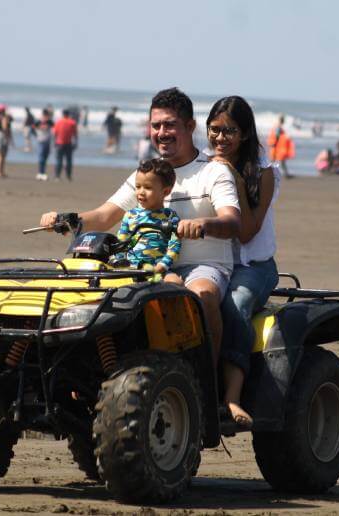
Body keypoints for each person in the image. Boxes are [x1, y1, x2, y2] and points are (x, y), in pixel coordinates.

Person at [40, 87, 240, 367]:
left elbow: (232, 221)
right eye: (156, 125)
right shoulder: (147, 175)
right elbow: (105, 215)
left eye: (170, 124)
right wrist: (67, 219)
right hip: (146, 264)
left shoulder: (214, 171)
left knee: (199, 296)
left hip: (203, 266)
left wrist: (203, 224)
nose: (162, 132)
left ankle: (208, 381)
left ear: (190, 126)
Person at [206, 96, 280, 427]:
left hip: (254, 267)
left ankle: (232, 396)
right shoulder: (203, 167)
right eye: (215, 129)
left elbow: (248, 232)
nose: (221, 138)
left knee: (235, 304)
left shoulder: (264, 173)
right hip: (214, 261)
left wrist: (233, 178)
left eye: (230, 131)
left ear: (246, 134)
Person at [114, 158, 181, 274]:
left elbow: (175, 246)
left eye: (148, 187)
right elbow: (121, 242)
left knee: (176, 283)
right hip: (131, 269)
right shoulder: (130, 216)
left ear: (166, 191)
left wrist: (162, 266)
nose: (141, 192)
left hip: (158, 270)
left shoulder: (170, 217)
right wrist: (120, 261)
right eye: (138, 186)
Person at [53, 109, 78, 181]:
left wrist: (54, 142)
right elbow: (75, 134)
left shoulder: (58, 122)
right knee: (69, 161)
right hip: (68, 144)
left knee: (59, 160)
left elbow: (55, 133)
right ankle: (68, 176)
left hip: (59, 144)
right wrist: (76, 143)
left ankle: (57, 176)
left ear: (63, 114)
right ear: (68, 114)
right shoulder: (72, 122)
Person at [35, 108, 54, 181]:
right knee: (41, 157)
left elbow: (54, 128)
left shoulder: (50, 122)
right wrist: (37, 133)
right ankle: (40, 173)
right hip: (41, 141)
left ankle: (42, 172)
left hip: (48, 141)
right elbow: (33, 128)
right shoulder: (39, 121)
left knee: (45, 157)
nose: (46, 117)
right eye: (46, 115)